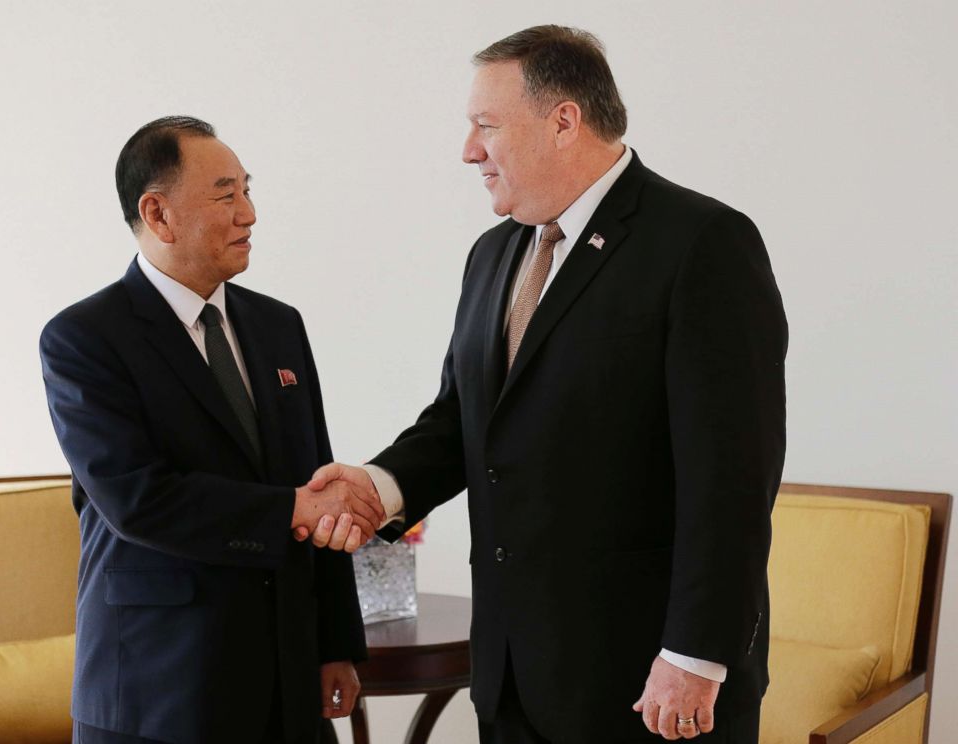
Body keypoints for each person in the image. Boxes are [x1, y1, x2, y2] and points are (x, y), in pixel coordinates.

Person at [305, 25, 787, 744]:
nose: (469, 150)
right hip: (512, 674)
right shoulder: (493, 253)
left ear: (564, 120)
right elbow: (463, 419)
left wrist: (694, 655)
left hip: (647, 682)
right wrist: (380, 487)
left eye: (486, 125)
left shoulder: (700, 243)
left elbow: (733, 479)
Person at [39, 116, 384, 744]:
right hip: (159, 686)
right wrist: (293, 509)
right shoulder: (84, 338)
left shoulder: (280, 325)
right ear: (158, 213)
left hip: (287, 680)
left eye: (248, 191)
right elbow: (138, 499)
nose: (249, 214)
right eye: (227, 195)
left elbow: (316, 472)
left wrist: (335, 642)